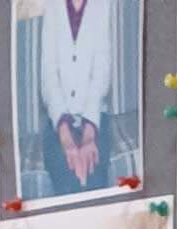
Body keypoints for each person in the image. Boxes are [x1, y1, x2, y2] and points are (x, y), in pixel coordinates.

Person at [35, 0, 114, 196]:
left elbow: (102, 71)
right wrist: (65, 135)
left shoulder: (102, 5)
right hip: (58, 118)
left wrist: (89, 134)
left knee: (93, 176)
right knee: (66, 176)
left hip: (95, 115)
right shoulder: (52, 7)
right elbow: (48, 76)